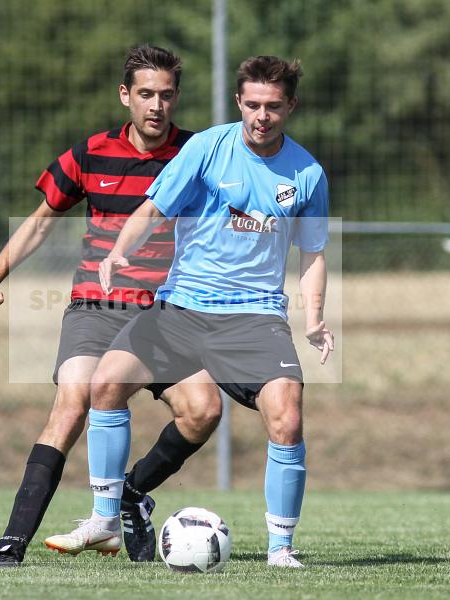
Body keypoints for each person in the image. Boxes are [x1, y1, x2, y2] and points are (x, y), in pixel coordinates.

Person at [44, 55, 334, 569]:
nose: (261, 116)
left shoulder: (307, 173)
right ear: (238, 101)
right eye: (252, 104)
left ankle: (281, 549)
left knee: (287, 417)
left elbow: (312, 254)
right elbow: (154, 208)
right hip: (182, 308)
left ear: (291, 105)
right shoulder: (206, 148)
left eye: (272, 106)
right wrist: (118, 252)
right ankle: (105, 517)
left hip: (254, 316)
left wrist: (313, 319)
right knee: (106, 382)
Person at [0, 45, 222, 567]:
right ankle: (12, 543)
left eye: (166, 95)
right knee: (72, 401)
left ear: (176, 98)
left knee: (203, 411)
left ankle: (131, 494)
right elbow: (40, 222)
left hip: (164, 314)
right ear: (125, 95)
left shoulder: (197, 155)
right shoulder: (90, 153)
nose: (156, 105)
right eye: (145, 94)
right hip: (97, 308)